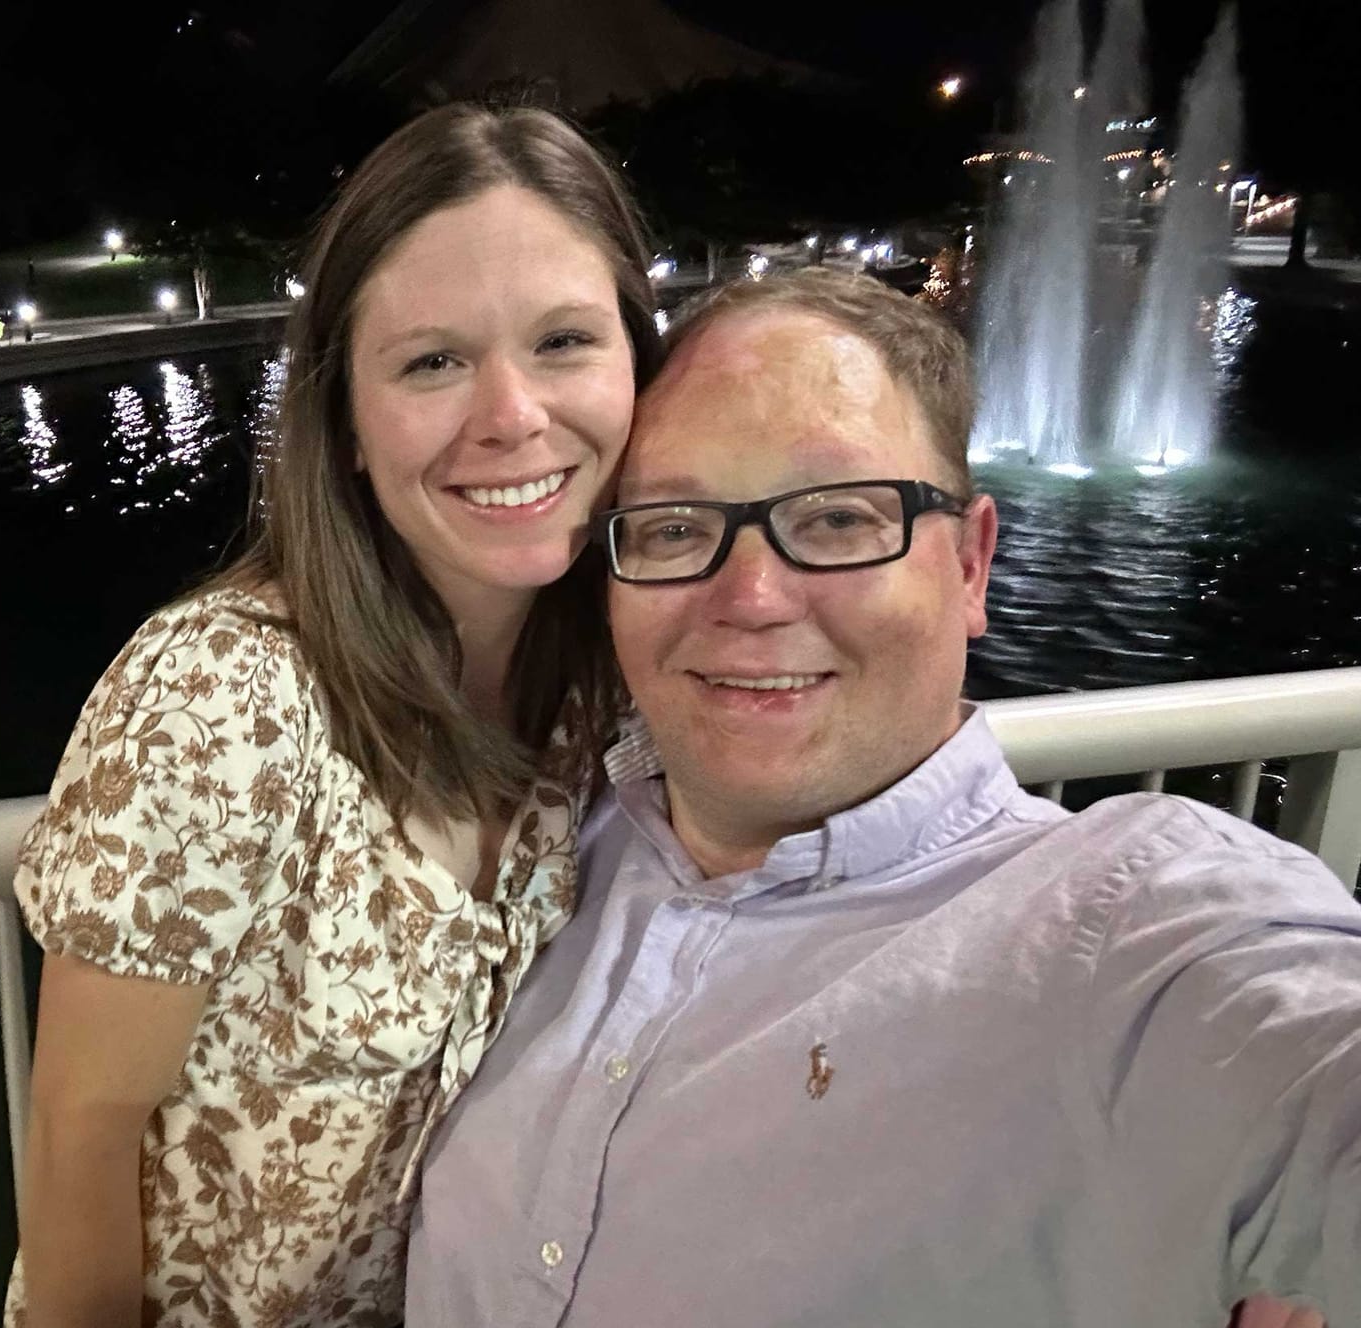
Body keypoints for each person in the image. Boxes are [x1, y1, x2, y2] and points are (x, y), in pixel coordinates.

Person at [406, 267, 1361, 1327]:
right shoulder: (529, 852)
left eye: (837, 518)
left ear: (969, 563)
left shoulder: (1121, 934)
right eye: (674, 527)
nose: (751, 598)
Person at [3, 102, 664, 1328]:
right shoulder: (221, 700)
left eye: (564, 340)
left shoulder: (603, 691)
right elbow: (78, 1131)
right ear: (347, 425)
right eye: (431, 361)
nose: (511, 414)